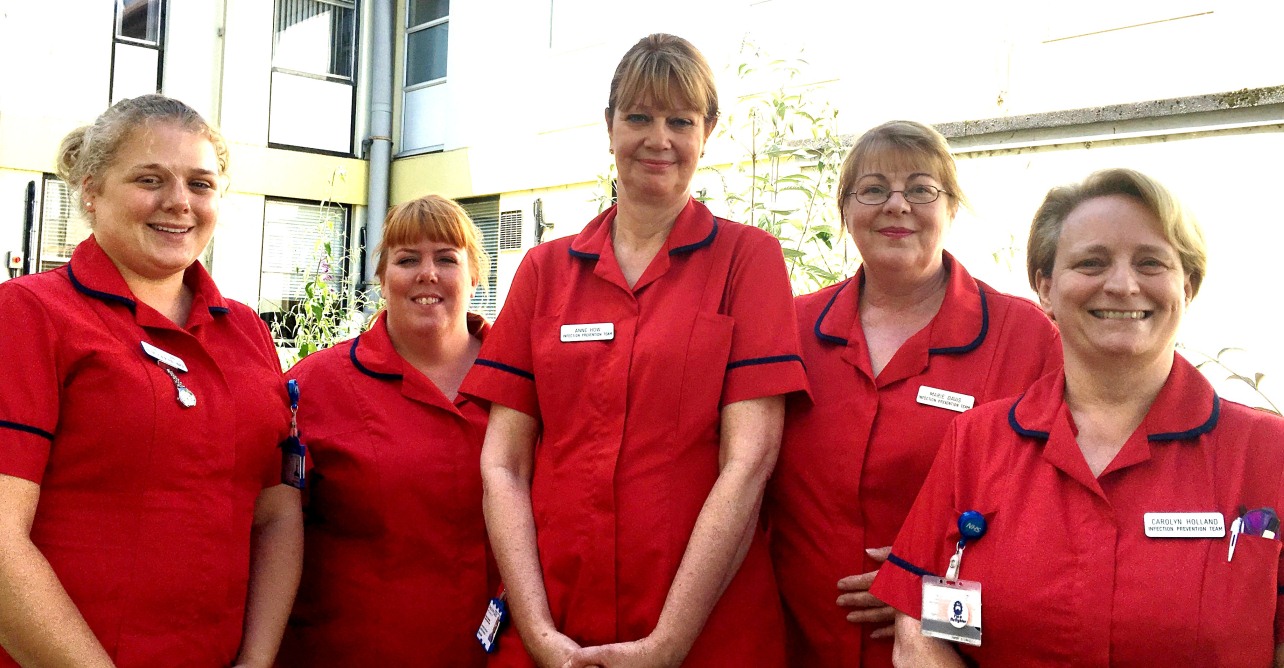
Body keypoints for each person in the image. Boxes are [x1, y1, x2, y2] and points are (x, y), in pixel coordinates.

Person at [461, 33, 808, 668]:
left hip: (707, 634)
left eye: (681, 121)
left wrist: (667, 644)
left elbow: (749, 462)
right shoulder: (544, 271)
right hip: (556, 622)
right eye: (639, 117)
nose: (659, 139)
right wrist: (537, 631)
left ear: (708, 131)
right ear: (610, 125)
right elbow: (502, 465)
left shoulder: (747, 262)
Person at [872, 168, 1284, 666]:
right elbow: (920, 628)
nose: (1123, 285)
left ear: (1188, 286)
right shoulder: (978, 442)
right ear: (1045, 288)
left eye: (1151, 263)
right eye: (1092, 263)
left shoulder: (1268, 454)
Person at [0, 95, 301, 666]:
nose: (178, 203)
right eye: (149, 179)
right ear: (91, 190)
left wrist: (256, 661)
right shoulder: (27, 315)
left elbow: (276, 514)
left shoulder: (246, 331)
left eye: (201, 184)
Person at [766, 120, 1061, 668]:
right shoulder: (791, 329)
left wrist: (924, 598)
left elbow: (1056, 528)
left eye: (921, 189)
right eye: (873, 189)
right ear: (846, 210)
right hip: (794, 644)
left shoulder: (1024, 340)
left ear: (951, 207)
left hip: (947, 651)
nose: (896, 205)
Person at [277, 195, 496, 666]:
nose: (427, 273)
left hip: (501, 654)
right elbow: (271, 527)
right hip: (356, 651)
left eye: (446, 258)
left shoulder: (525, 382)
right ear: (381, 278)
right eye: (407, 259)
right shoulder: (315, 385)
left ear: (476, 274)